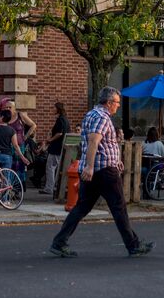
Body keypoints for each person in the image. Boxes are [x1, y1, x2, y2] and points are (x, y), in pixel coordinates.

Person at [49, 87, 152, 259]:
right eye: (117, 103)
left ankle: (59, 242)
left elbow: (103, 144)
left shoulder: (91, 114)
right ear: (109, 102)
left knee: (82, 207)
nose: (118, 106)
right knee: (119, 207)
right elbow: (93, 141)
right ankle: (133, 245)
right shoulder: (102, 117)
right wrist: (90, 166)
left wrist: (114, 159)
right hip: (103, 171)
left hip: (98, 168)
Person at [1, 98, 36, 186]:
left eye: (10, 107)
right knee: (10, 166)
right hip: (8, 146)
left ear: (14, 108)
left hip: (19, 145)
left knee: (19, 166)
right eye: (6, 107)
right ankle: (11, 186)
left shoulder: (20, 115)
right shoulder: (4, 117)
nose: (8, 109)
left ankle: (18, 186)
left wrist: (25, 137)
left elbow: (33, 125)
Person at [0, 109, 30, 174]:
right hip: (7, 156)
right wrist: (22, 157)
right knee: (6, 179)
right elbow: (16, 146)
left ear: (1, 117)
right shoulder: (12, 130)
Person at [42, 102, 70, 195]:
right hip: (62, 147)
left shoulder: (60, 120)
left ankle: (49, 188)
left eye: (54, 108)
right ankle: (53, 187)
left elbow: (59, 133)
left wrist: (50, 140)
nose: (52, 109)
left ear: (58, 109)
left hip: (56, 147)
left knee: (50, 167)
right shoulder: (65, 119)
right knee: (57, 168)